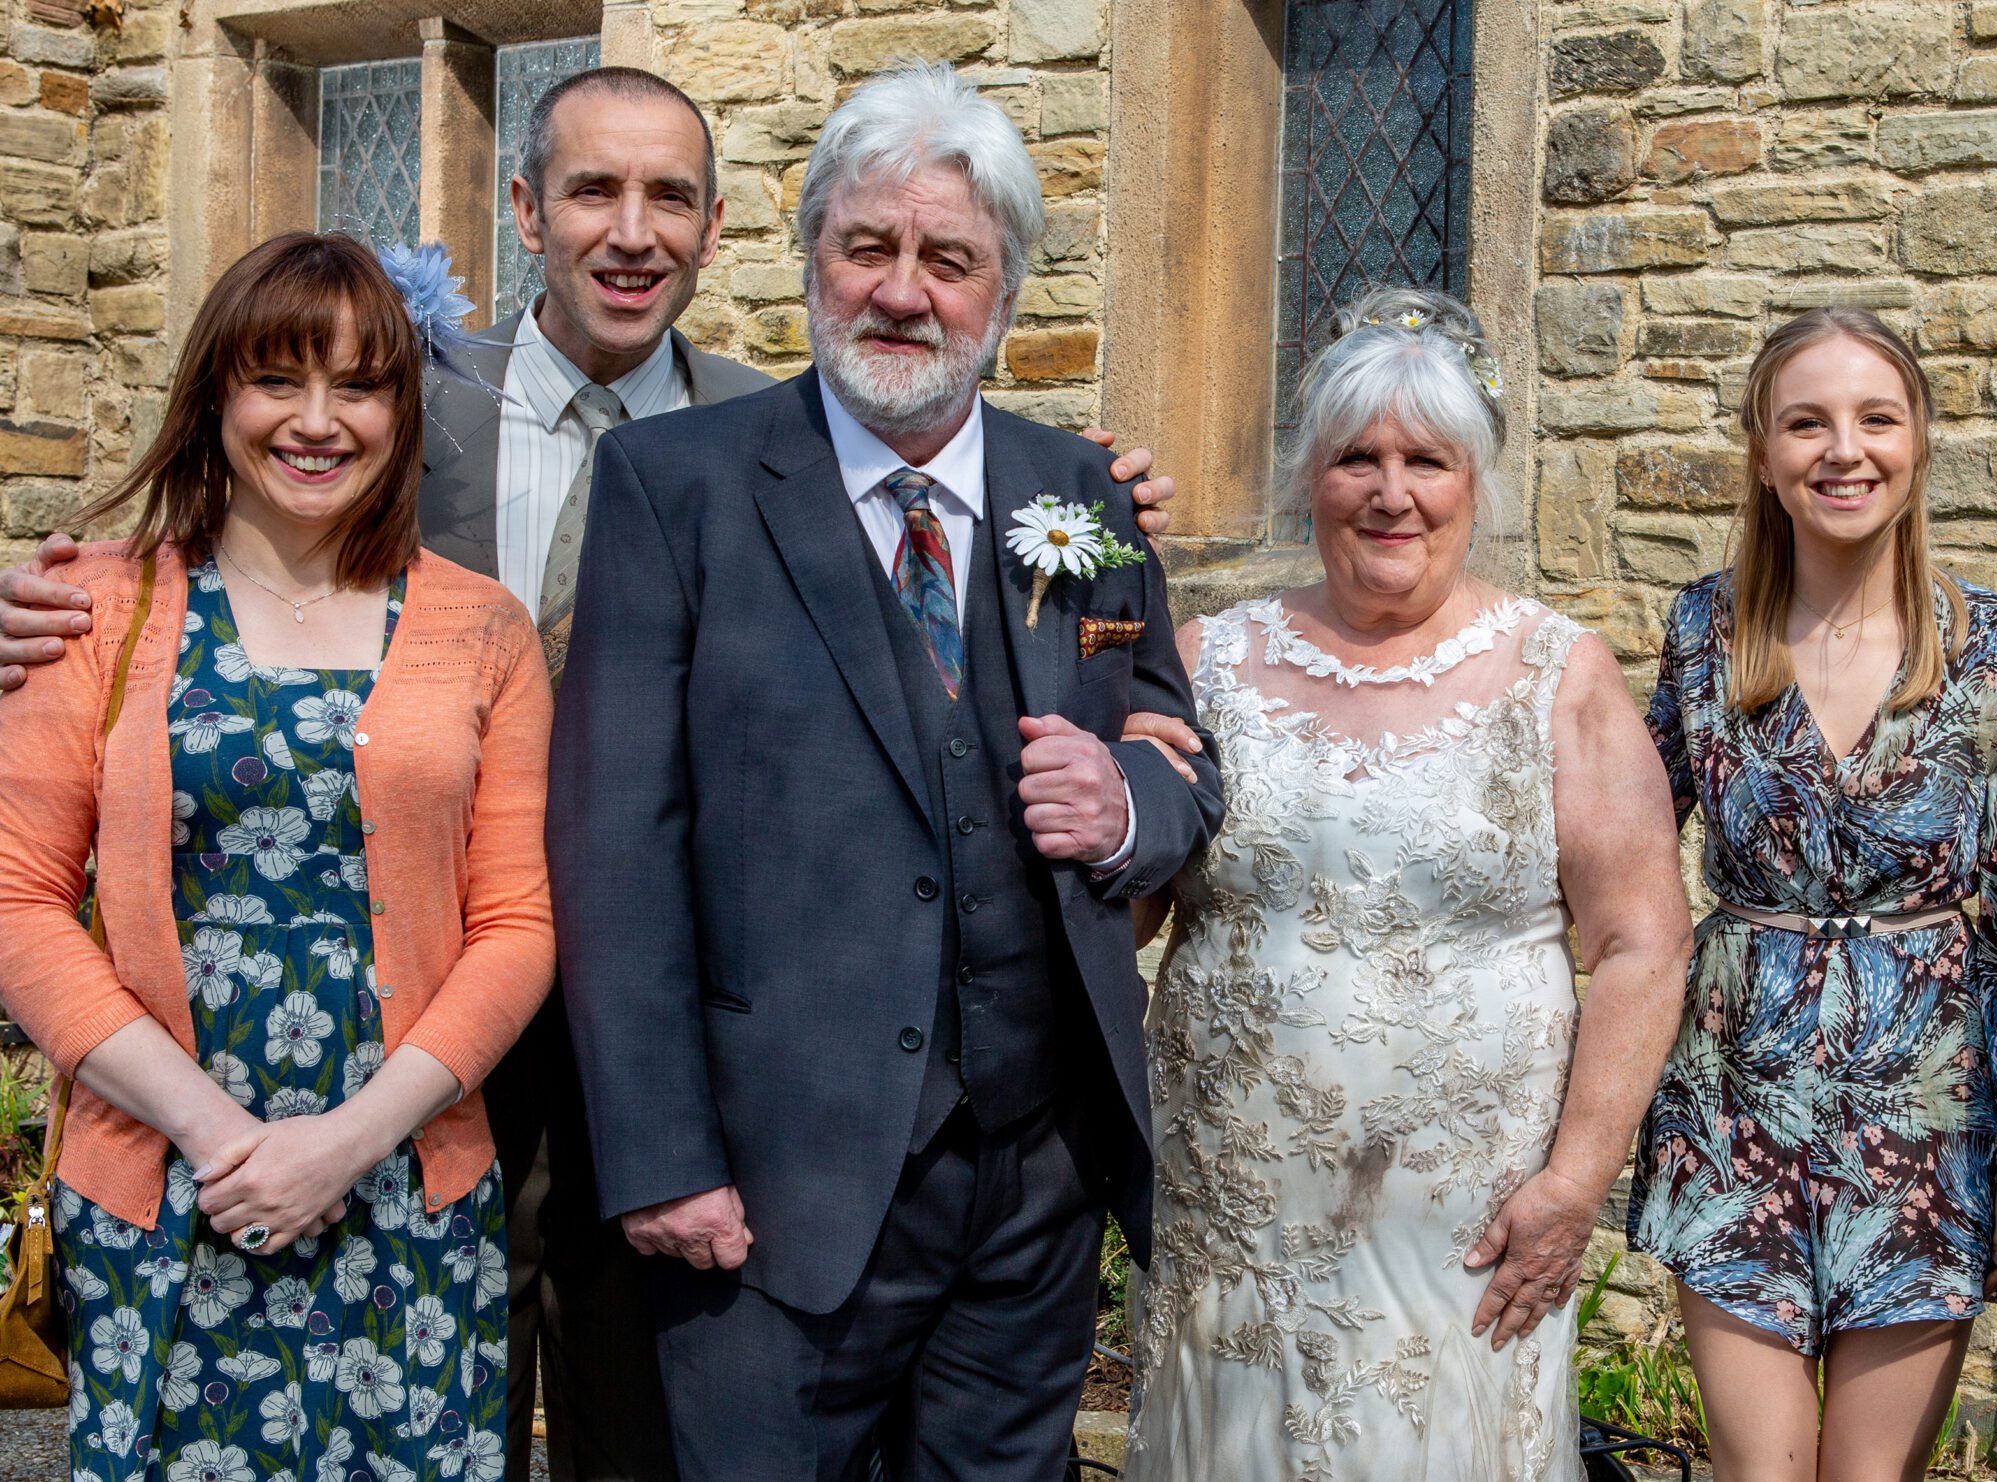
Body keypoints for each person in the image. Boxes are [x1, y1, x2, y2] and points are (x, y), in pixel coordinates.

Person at [0, 63, 1177, 1482]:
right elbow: (225, 538)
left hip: (758, 1073)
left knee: (636, 1418)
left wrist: (1132, 757)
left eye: (670, 194)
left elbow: (1133, 702)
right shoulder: (396, 405)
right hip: (439, 1029)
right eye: (592, 190)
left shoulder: (940, 458)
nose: (632, 228)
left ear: (717, 224)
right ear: (523, 209)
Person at [545, 62, 1223, 1481]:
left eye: (949, 259)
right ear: (811, 260)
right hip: (771, 1187)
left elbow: (1171, 742)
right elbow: (614, 847)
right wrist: (661, 1153)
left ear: (1005, 295)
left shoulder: (1078, 494)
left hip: (1033, 1187)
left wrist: (1130, 811)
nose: (904, 291)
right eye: (869, 247)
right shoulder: (679, 487)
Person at [0, 233, 555, 1479]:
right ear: (214, 395)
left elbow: (517, 920)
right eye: (278, 379)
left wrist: (348, 1142)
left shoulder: (480, 629)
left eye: (359, 385)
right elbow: (18, 902)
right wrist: (216, 1137)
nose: (318, 421)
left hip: (405, 1192)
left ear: (403, 409)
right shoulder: (92, 608)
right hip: (167, 1196)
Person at [1114, 286, 1691, 1481]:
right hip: (1237, 1215)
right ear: (1307, 476)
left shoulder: (1556, 673)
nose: (1391, 492)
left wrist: (1575, 1184)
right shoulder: (1209, 659)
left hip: (1460, 1227)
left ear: (1473, 478)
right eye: (1354, 459)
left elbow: (1640, 943)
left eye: (1425, 459)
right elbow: (1131, 903)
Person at [1627, 307, 1997, 1482]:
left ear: (1918, 439)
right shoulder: (1701, 634)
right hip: (1733, 1108)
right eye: (1806, 422)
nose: (1844, 449)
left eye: (1876, 417)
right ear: (1765, 456)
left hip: (1930, 1116)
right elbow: (1615, 852)